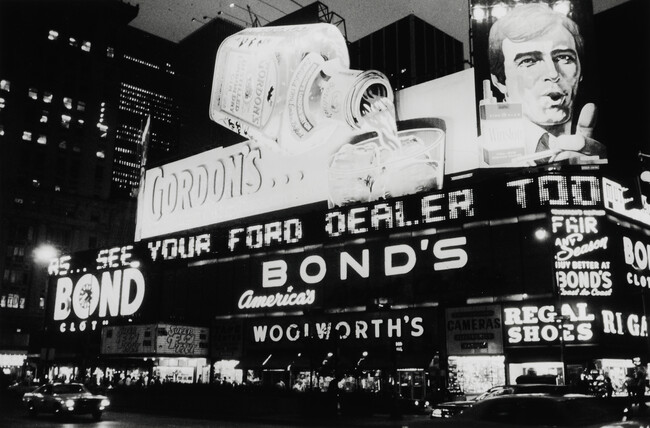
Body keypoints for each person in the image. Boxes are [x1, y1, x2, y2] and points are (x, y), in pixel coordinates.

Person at [487, 2, 606, 165]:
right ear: (500, 82)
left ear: (580, 72)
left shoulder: (601, 146)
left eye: (564, 57)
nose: (553, 74)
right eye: (528, 61)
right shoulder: (479, 156)